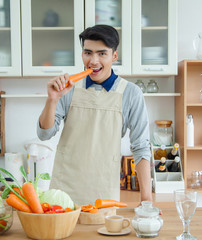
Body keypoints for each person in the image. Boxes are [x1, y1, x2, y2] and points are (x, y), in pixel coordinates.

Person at [37, 25, 152, 206]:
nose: (93, 61)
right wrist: (52, 100)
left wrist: (147, 201)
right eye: (88, 53)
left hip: (104, 193)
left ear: (114, 56)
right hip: (64, 193)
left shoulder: (131, 93)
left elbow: (141, 147)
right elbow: (45, 134)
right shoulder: (68, 87)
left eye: (102, 54)